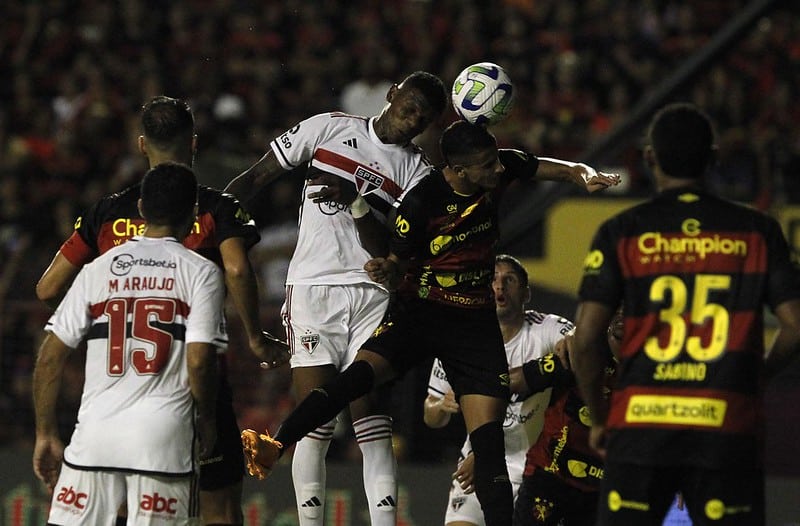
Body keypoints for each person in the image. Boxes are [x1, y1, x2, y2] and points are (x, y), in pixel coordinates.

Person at [241, 120, 620, 526]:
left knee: (487, 449)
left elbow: (546, 167)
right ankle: (276, 443)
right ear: (457, 171)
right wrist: (383, 263)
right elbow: (395, 259)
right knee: (355, 380)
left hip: (473, 325)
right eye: (486, 166)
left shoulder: (497, 170)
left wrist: (583, 174)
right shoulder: (420, 202)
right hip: (421, 311)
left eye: (496, 162)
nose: (497, 171)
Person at [35, 95, 289, 526]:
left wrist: (101, 316)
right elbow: (236, 269)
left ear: (141, 144)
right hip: (187, 390)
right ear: (193, 142)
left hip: (109, 392)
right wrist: (253, 335)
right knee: (219, 508)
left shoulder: (108, 213)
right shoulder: (213, 208)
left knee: (113, 506)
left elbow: (48, 287)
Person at [226, 71, 448, 526]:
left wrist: (358, 200)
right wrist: (216, 219)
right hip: (312, 287)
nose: (411, 123)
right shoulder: (328, 127)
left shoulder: (419, 173)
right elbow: (256, 177)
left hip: (372, 293)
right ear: (390, 96)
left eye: (422, 120)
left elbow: (392, 248)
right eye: (408, 109)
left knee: (371, 416)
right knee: (315, 416)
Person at [571, 102, 800, 525]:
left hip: (641, 428)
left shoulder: (622, 230)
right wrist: (759, 375)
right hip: (726, 427)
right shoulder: (757, 230)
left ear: (649, 158)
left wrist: (601, 420)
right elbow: (795, 326)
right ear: (713, 159)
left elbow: (585, 340)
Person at [32, 162, 225, 525]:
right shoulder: (201, 273)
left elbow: (50, 359)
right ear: (193, 213)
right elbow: (199, 362)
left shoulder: (98, 269)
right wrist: (209, 421)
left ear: (140, 209)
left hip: (94, 436)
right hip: (163, 440)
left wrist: (45, 433)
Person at [424, 254, 574, 526]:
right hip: (477, 463)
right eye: (492, 280)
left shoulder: (545, 329)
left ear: (526, 293)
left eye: (509, 280)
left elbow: (579, 343)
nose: (499, 287)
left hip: (538, 469)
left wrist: (572, 343)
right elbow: (430, 417)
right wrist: (441, 407)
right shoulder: (459, 343)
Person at [510, 311, 620, 526]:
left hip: (605, 490)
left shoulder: (653, 371)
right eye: (619, 307)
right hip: (551, 477)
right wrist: (474, 390)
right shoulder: (580, 353)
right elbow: (519, 379)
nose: (623, 315)